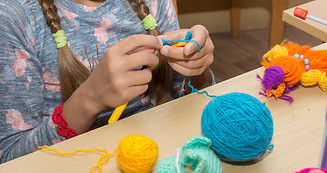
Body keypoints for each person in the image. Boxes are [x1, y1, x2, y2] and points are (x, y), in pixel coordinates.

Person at [0, 0, 215, 163]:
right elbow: (10, 156)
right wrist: (89, 100)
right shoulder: (16, 16)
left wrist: (197, 67)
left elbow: (182, 99)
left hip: (160, 156)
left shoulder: (155, 3)